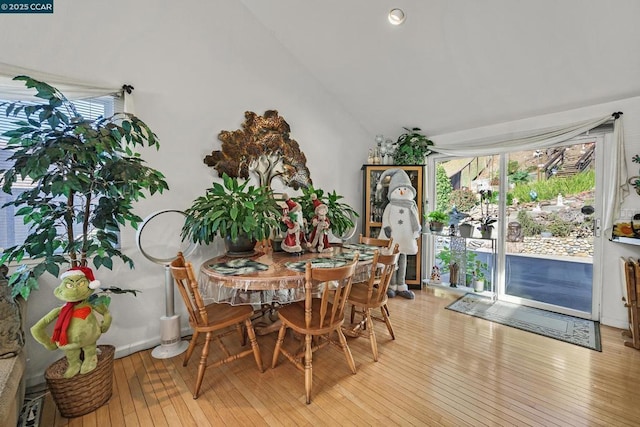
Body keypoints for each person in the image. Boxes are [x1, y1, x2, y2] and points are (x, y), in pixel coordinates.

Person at [377, 168, 421, 299]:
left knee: (403, 260)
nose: (402, 192)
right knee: (391, 262)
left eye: (405, 189)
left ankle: (401, 285)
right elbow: (385, 218)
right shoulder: (390, 206)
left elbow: (416, 220)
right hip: (393, 237)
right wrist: (386, 227)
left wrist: (416, 229)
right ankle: (391, 285)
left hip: (405, 239)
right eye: (398, 189)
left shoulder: (412, 206)